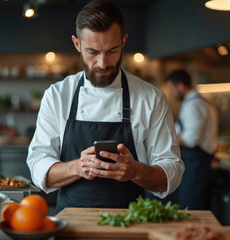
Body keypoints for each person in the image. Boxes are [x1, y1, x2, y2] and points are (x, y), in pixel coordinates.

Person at [27, 0, 184, 213]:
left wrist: (135, 171)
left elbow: (171, 174)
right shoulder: (57, 96)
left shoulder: (151, 98)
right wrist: (77, 167)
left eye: (112, 50)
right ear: (77, 44)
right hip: (71, 226)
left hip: (129, 226)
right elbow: (38, 167)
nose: (102, 63)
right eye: (92, 52)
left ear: (123, 41)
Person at [165, 69, 218, 210]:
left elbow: (191, 139)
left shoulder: (194, 105)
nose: (171, 92)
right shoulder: (197, 101)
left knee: (191, 206)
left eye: (171, 88)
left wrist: (168, 141)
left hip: (196, 163)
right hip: (196, 162)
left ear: (180, 86)